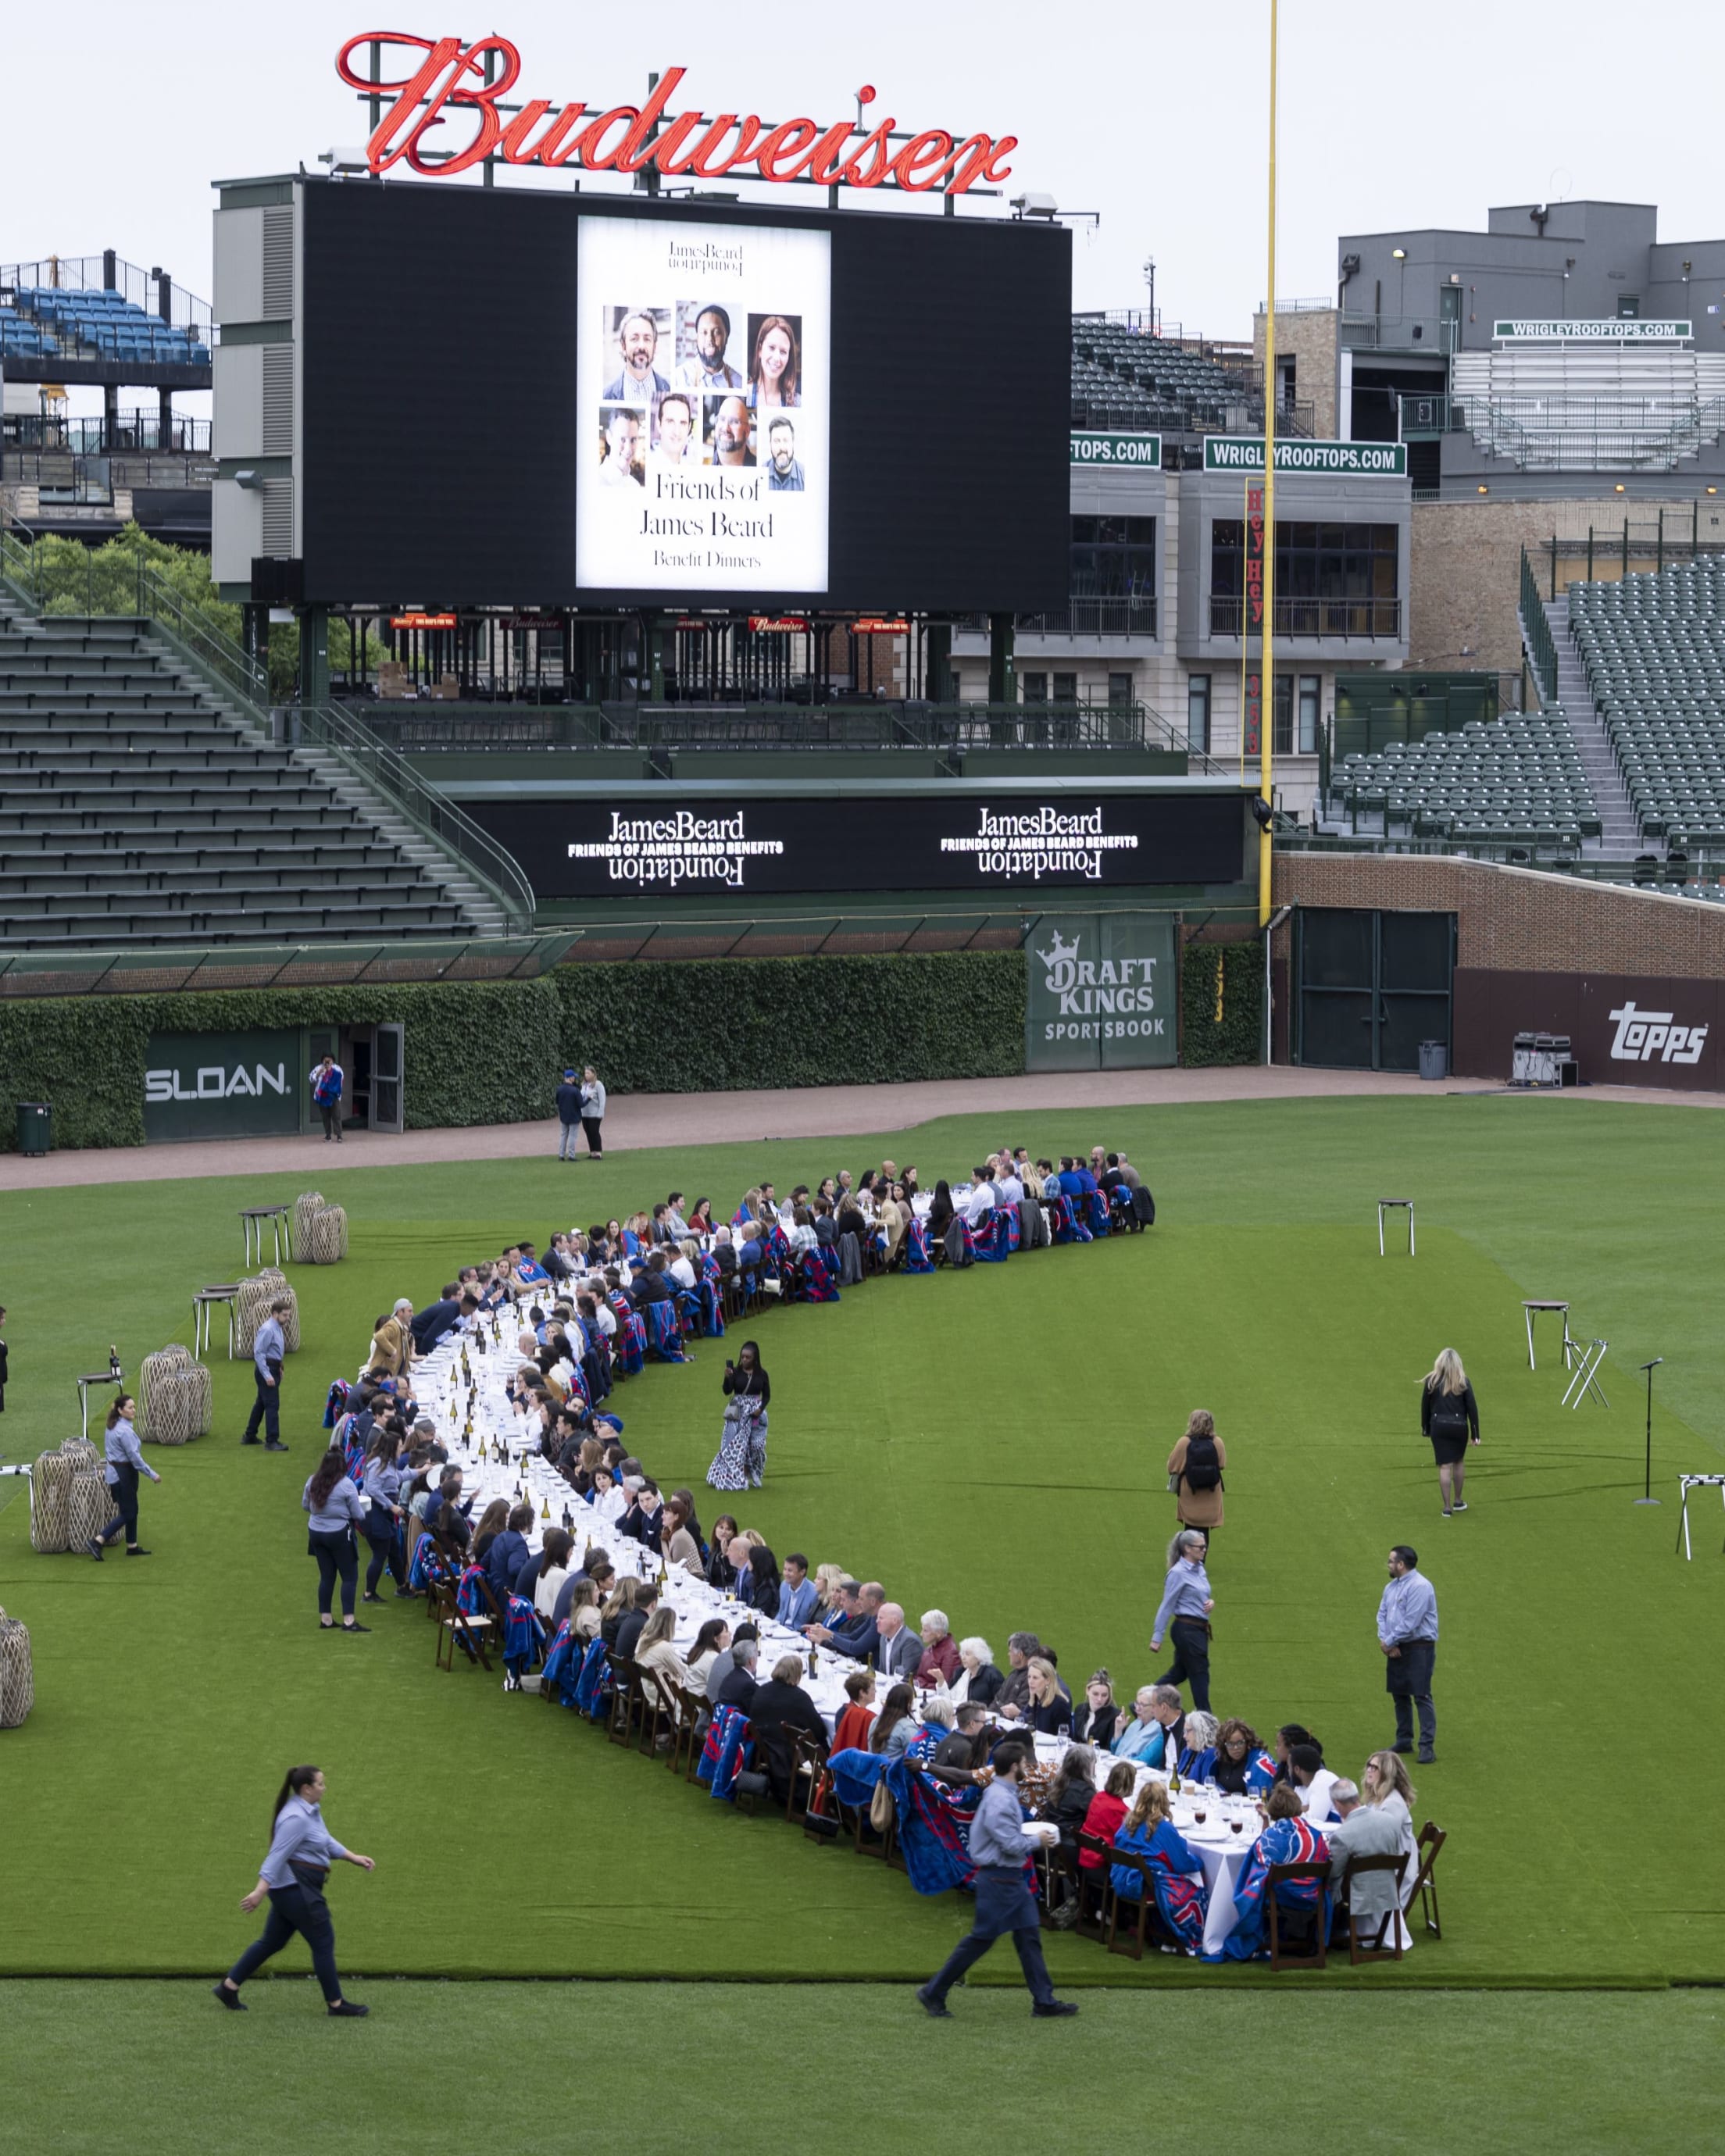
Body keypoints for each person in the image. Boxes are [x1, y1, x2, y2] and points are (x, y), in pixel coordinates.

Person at [916, 1743, 1077, 2019]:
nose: (1028, 1769)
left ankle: (1044, 2000)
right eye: (1025, 1765)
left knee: (1028, 1937)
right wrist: (1038, 1841)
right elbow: (1011, 1844)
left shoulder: (999, 1793)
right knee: (982, 1939)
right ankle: (934, 1991)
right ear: (1014, 1767)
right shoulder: (1001, 1800)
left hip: (1005, 1879)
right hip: (1000, 1879)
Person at [214, 1765, 373, 2016]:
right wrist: (259, 1892)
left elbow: (323, 1840)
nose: (325, 1787)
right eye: (321, 1784)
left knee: (272, 1941)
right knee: (323, 1940)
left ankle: (228, 1987)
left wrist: (352, 1857)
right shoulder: (296, 1819)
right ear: (306, 1789)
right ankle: (336, 2004)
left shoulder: (309, 1811)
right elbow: (276, 1857)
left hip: (292, 1890)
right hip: (297, 1891)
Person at [1211, 1781, 1330, 1963]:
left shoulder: (1269, 1839)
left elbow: (1260, 1864)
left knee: (1258, 1881)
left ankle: (1257, 1935)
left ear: (1273, 1811)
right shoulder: (1317, 1836)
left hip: (1283, 1897)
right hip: (1313, 1895)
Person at [1109, 1780, 1207, 1952]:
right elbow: (1183, 1863)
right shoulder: (1164, 1828)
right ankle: (1174, 1935)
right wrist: (1201, 1863)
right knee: (1197, 1887)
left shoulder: (1128, 1823)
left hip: (1121, 1880)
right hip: (1143, 1885)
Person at [1323, 1775, 1407, 1941]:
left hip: (1357, 1893)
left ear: (1338, 1805)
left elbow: (1333, 1873)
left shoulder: (1342, 1835)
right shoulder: (1390, 1821)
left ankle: (1329, 1931)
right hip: (1387, 1887)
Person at [1377, 1544, 1439, 1765]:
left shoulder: (1420, 1587)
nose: (1389, 1564)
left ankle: (1426, 1746)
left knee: (1421, 1695)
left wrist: (1390, 1641)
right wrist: (1386, 1641)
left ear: (1401, 1565)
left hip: (1418, 1647)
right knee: (1399, 1694)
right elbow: (1382, 1614)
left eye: (1391, 1561)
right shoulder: (1391, 1587)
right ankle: (1404, 1740)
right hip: (1396, 1646)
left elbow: (1411, 1622)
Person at [303, 1446, 369, 1633]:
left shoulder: (312, 1481)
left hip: (316, 1532)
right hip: (339, 1533)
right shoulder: (346, 1485)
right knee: (349, 1577)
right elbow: (358, 1513)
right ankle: (349, 1621)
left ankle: (326, 1618)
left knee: (326, 1576)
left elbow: (306, 1505)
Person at [89, 1393, 160, 1559]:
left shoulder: (115, 1425)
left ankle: (132, 1546)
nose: (134, 1410)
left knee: (131, 1509)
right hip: (123, 1474)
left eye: (134, 1407)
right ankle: (98, 1541)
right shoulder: (124, 1431)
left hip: (116, 1473)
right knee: (128, 1512)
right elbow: (135, 1457)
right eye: (130, 1408)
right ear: (121, 1411)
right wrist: (152, 1474)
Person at [1150, 1530, 1214, 1712]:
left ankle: (1145, 1701)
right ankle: (1205, 1715)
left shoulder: (1200, 1569)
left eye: (1205, 1546)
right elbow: (1167, 1605)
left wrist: (1210, 1602)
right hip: (1187, 1630)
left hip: (1198, 1630)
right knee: (1200, 1673)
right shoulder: (1177, 1573)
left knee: (1180, 1673)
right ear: (1187, 1548)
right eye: (1200, 1547)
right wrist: (1157, 1637)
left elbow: (1201, 1594)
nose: (1204, 1549)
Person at [1421, 1347, 1481, 1516]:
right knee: (1458, 1462)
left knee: (1444, 1466)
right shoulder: (1463, 1382)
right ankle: (1458, 1500)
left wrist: (1426, 1428)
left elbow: (1425, 1407)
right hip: (1459, 1427)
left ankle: (1447, 1507)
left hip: (1439, 1427)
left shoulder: (1431, 1382)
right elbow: (1472, 1409)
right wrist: (1475, 1434)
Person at [708, 1341, 770, 1490]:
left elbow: (767, 1396)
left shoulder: (762, 1374)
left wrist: (760, 1409)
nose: (744, 1360)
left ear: (755, 1359)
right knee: (736, 1447)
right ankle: (739, 1476)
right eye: (742, 1357)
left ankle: (753, 1470)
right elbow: (727, 1391)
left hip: (756, 1415)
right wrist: (727, 1378)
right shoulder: (735, 1372)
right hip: (737, 1413)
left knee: (757, 1446)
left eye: (748, 1357)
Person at [242, 1297, 292, 1452]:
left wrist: (280, 1368)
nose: (287, 1318)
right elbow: (259, 1353)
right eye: (285, 1315)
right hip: (267, 1369)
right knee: (272, 1404)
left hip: (273, 1367)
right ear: (275, 1313)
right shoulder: (268, 1329)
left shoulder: (277, 1327)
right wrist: (268, 1375)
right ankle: (272, 1441)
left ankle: (250, 1435)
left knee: (262, 1403)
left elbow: (275, 1351)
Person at [1168, 1408, 1226, 1537]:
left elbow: (1172, 1467)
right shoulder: (1217, 1442)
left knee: (1190, 1530)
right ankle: (1200, 1556)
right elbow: (1222, 1464)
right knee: (1204, 1533)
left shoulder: (1184, 1442)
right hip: (1211, 1493)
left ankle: (1189, 1556)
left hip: (1190, 1493)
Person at [603, 309, 669, 402]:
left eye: (647, 339)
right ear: (623, 346)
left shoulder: (671, 390)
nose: (641, 346)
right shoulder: (606, 396)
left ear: (654, 347)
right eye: (634, 339)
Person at [676, 302, 743, 391]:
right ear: (697, 338)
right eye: (704, 332)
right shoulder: (679, 378)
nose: (710, 340)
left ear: (726, 338)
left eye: (716, 332)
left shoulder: (739, 384)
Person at [1112, 1684, 1184, 1767]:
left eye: (1142, 1705)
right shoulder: (1136, 1724)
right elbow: (1115, 1752)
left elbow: (1145, 1761)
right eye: (1137, 1704)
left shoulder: (1163, 1729)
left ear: (1163, 1707)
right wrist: (1118, 1731)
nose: (1137, 1709)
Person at [1212, 1717, 1277, 1795]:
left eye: (1240, 1743)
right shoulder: (1220, 1759)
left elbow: (1263, 1799)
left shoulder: (1258, 1764)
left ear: (1248, 1741)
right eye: (1230, 1744)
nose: (1236, 1748)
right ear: (1223, 1745)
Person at [748, 315, 801, 408]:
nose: (777, 358)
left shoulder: (797, 403)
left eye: (783, 352)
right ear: (760, 350)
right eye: (771, 348)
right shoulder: (743, 396)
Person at [872, 1601, 921, 1683]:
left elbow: (905, 1677)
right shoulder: (883, 1638)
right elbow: (882, 1671)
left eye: (881, 1618)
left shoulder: (910, 1641)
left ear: (894, 1621)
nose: (877, 1621)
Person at [832, 1669, 877, 1754]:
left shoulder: (841, 1712)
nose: (875, 1692)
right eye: (873, 1689)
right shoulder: (869, 1717)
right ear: (862, 1693)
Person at [1071, 1671, 1119, 1749]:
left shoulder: (1114, 1716)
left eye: (1104, 1695)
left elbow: (1111, 1748)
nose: (1099, 1699)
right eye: (1095, 1694)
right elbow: (1076, 1739)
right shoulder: (1080, 1709)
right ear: (1087, 1691)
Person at [650, 391, 697, 471]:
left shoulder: (691, 469)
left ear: (689, 428)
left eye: (683, 423)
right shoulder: (649, 466)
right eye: (670, 422)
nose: (677, 432)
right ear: (659, 425)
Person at [951, 1636, 1003, 1706]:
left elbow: (1001, 1701)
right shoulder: (961, 1672)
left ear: (979, 1656)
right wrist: (941, 1681)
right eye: (962, 1654)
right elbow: (949, 1696)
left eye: (967, 1654)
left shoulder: (992, 1675)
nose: (963, 1658)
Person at [916, 1608, 960, 1687]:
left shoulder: (950, 1653)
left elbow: (945, 1686)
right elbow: (919, 1676)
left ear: (938, 1633)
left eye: (925, 1631)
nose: (921, 1634)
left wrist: (921, 1684)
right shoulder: (931, 1646)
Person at [708, 394, 754, 467]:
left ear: (747, 431)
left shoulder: (761, 469)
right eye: (722, 419)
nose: (726, 428)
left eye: (734, 421)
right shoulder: (702, 467)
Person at [309, 1053, 345, 1142]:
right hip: (322, 1096)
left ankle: (339, 1135)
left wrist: (330, 1071)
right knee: (325, 1117)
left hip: (333, 1096)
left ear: (333, 1060)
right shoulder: (318, 1068)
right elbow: (311, 1079)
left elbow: (340, 1078)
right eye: (326, 1060)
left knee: (336, 1116)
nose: (327, 1062)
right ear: (322, 1061)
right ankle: (328, 1136)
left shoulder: (337, 1069)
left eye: (329, 1060)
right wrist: (319, 1073)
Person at [763, 416, 805, 491]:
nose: (782, 447)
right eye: (776, 441)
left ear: (793, 442)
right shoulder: (760, 473)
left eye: (786, 440)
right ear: (770, 444)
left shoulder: (805, 475)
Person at [555, 1068, 583, 1161]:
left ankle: (561, 1155)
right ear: (570, 1078)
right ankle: (571, 1155)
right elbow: (581, 1104)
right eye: (573, 1077)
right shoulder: (575, 1090)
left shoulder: (559, 1089)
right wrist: (589, 1099)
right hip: (574, 1116)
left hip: (564, 1116)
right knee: (572, 1136)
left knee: (563, 1135)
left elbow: (557, 1102)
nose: (574, 1079)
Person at [578, 1066, 606, 1158]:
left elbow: (602, 1100)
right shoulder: (584, 1085)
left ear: (594, 1074)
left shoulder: (598, 1085)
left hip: (595, 1114)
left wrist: (600, 1113)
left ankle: (598, 1152)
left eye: (588, 1073)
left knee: (594, 1132)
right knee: (588, 1132)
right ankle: (592, 1152)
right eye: (585, 1073)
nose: (586, 1075)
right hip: (585, 1114)